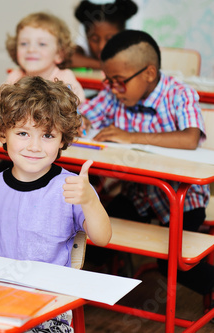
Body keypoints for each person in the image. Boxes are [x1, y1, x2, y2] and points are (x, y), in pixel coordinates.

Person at [0, 76, 112, 333]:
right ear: (3, 133)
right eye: (23, 133)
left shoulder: (72, 188)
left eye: (47, 135)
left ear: (62, 140)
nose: (35, 146)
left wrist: (90, 200)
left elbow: (103, 238)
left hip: (48, 307)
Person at [79, 29, 214, 297]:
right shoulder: (113, 93)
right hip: (137, 194)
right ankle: (112, 284)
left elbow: (189, 138)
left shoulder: (179, 95)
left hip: (181, 198)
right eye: (109, 81)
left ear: (149, 74)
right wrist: (78, 120)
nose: (113, 89)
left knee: (174, 263)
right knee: (94, 240)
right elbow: (84, 115)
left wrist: (131, 137)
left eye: (119, 81)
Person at [0, 12, 86, 116]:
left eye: (42, 44)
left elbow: (72, 113)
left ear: (59, 54)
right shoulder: (15, 76)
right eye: (24, 43)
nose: (31, 49)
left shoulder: (65, 78)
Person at [71, 0, 138, 69]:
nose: (101, 47)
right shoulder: (81, 52)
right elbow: (69, 58)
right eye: (95, 40)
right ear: (87, 36)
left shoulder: (134, 57)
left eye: (109, 39)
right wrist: (105, 66)